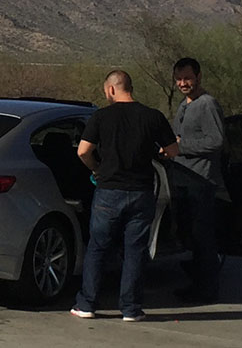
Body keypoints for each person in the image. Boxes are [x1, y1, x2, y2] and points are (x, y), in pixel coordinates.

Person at [71, 70, 178, 322]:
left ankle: (87, 304)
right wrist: (159, 152)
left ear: (110, 89)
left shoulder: (101, 117)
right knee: (135, 250)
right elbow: (173, 150)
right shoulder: (153, 116)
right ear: (130, 87)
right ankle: (130, 308)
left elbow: (83, 151)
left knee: (98, 248)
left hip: (108, 191)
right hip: (141, 192)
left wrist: (97, 168)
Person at [169, 57, 226, 303]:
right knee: (190, 235)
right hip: (183, 180)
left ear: (198, 77)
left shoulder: (207, 104)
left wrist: (180, 147)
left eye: (187, 78)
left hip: (201, 181)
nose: (183, 83)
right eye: (179, 79)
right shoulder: (184, 105)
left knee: (203, 238)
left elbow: (216, 141)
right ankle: (196, 283)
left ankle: (207, 289)